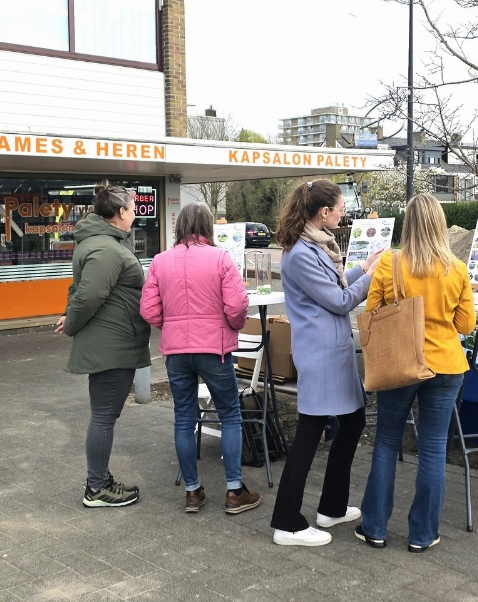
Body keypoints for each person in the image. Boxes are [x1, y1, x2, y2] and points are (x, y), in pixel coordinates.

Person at [355, 194, 476, 553]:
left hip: (400, 364)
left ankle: (374, 527)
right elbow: (465, 324)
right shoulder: (456, 268)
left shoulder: (390, 264)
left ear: (407, 225)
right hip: (446, 365)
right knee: (434, 448)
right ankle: (423, 534)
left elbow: (371, 312)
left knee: (387, 442)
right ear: (440, 225)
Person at [270, 179, 381, 546]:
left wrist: (360, 268)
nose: (343, 212)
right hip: (320, 355)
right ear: (323, 213)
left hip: (330, 352)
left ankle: (332, 507)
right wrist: (370, 276)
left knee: (353, 422)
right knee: (308, 435)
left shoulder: (313, 245)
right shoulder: (302, 253)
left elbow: (331, 285)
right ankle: (286, 522)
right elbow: (338, 300)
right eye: (339, 208)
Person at [140, 203, 262, 515]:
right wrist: (230, 327)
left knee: (184, 417)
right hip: (215, 349)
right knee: (230, 414)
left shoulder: (160, 261)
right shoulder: (220, 258)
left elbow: (149, 310)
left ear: (179, 227)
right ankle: (234, 490)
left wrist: (174, 328)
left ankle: (193, 492)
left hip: (176, 352)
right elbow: (237, 306)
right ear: (208, 226)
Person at [57, 182, 152, 508]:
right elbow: (89, 295)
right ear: (120, 212)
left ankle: (99, 481)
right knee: (103, 417)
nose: (136, 213)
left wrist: (70, 313)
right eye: (133, 208)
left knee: (104, 415)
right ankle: (96, 488)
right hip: (111, 346)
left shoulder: (102, 243)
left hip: (112, 342)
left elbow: (80, 292)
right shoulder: (107, 249)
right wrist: (71, 321)